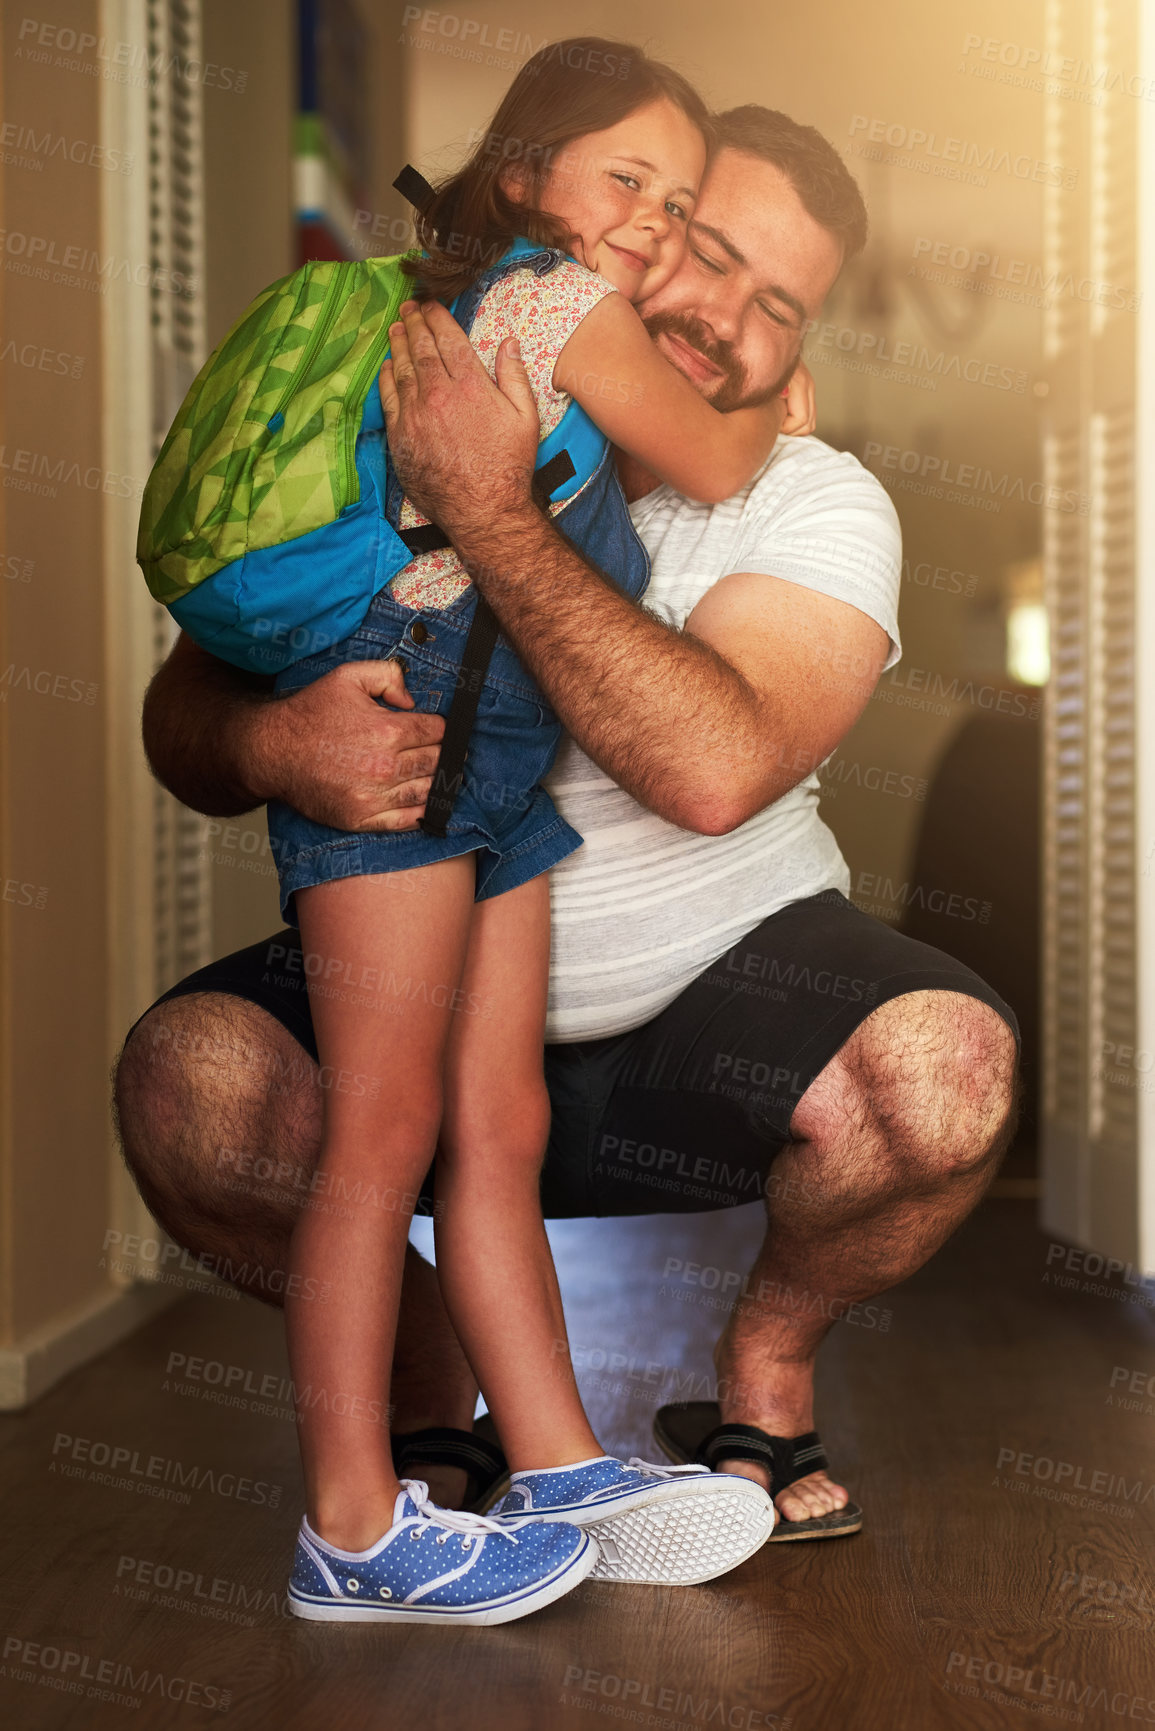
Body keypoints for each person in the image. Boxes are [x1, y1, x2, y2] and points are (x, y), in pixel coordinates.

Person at [114, 100, 1018, 1557]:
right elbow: (186, 718)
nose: (724, 314)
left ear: (805, 351)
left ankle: (763, 1371)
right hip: (423, 940)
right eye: (703, 247)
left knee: (946, 1070)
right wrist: (275, 738)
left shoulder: (813, 496)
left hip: (715, 1001)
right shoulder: (424, 394)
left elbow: (715, 769)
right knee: (189, 1087)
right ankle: (420, 1402)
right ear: (616, 234)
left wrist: (496, 508)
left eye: (778, 305)